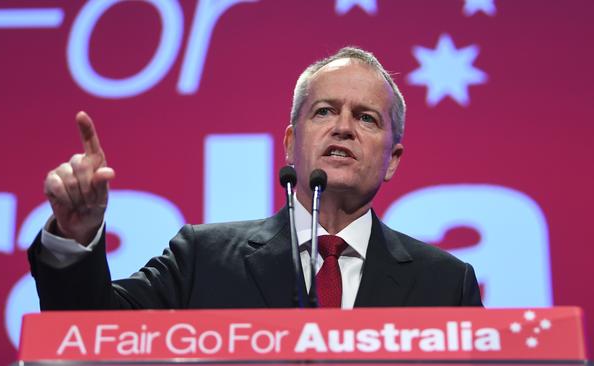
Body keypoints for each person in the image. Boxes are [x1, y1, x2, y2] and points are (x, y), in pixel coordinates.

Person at [28, 47, 482, 310]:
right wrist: (76, 236)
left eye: (366, 118)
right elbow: (92, 333)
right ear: (290, 143)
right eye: (324, 111)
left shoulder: (445, 284)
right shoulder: (202, 259)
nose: (343, 127)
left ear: (393, 159)